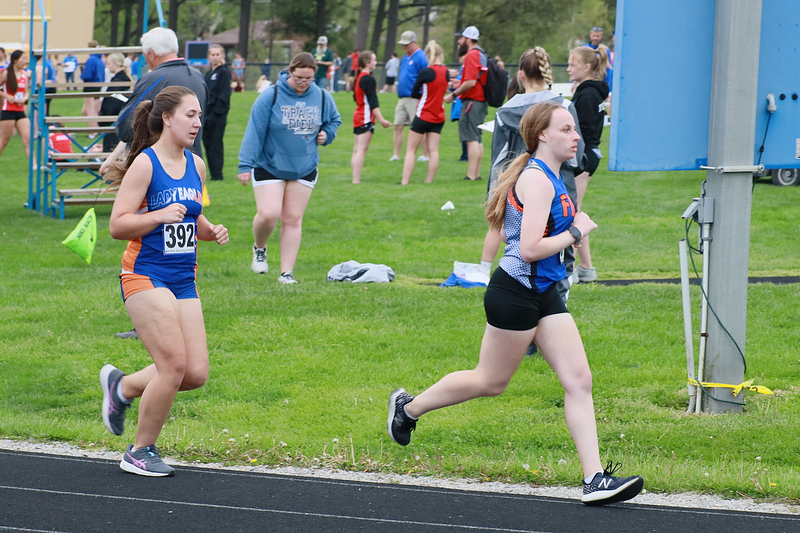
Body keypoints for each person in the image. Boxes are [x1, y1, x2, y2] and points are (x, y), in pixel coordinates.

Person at [387, 100, 644, 506]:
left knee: (579, 381)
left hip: (544, 292)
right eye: (566, 129)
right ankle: (408, 409)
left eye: (575, 129)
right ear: (542, 135)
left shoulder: (553, 175)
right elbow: (528, 249)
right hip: (515, 293)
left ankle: (594, 480)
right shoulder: (538, 180)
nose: (576, 137)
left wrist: (572, 232)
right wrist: (577, 232)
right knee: (490, 382)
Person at [101, 85, 229, 477]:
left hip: (183, 279)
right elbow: (118, 225)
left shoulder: (197, 165)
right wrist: (157, 216)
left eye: (200, 116)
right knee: (173, 365)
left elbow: (190, 214)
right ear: (167, 118)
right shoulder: (145, 164)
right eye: (190, 115)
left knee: (194, 374)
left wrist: (210, 230)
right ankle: (140, 451)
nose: (198, 122)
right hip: (145, 273)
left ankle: (123, 388)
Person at [481, 47, 583, 290]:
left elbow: (499, 161)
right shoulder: (563, 107)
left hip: (518, 190)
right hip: (557, 188)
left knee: (518, 243)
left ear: (521, 75)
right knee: (558, 249)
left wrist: (494, 198)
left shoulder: (505, 111)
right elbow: (577, 159)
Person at [238, 52, 341, 283]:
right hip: (270, 164)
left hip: (304, 166)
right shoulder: (271, 95)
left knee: (293, 219)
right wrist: (245, 165)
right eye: (299, 78)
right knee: (269, 214)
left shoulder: (322, 96)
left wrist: (327, 134)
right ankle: (260, 247)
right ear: (290, 72)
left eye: (308, 79)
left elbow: (334, 120)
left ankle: (286, 273)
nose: (303, 83)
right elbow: (255, 131)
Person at [100, 27, 209, 176]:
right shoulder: (198, 77)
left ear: (151, 54)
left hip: (160, 168)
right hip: (192, 165)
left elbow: (126, 126)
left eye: (145, 56)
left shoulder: (154, 79)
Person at [567, 45, 610, 284]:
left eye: (572, 64)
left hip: (583, 157)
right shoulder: (592, 92)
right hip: (590, 155)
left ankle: (571, 268)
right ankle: (586, 268)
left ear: (586, 67)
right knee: (575, 211)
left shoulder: (586, 95)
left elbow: (579, 132)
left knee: (571, 214)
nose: (568, 68)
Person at [400, 41, 448, 185]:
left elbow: (414, 93)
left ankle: (405, 181)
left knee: (411, 150)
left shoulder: (426, 71)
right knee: (433, 150)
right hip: (439, 115)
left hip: (423, 114)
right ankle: (428, 181)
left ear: (427, 54)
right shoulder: (446, 71)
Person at [444, 26, 487, 181]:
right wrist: (459, 83)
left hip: (472, 101)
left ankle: (471, 175)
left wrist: (453, 95)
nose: (459, 41)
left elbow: (470, 82)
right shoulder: (480, 53)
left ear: (468, 39)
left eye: (461, 38)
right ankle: (476, 173)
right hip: (479, 101)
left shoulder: (472, 55)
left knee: (471, 138)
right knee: (477, 137)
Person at [351, 51, 392, 184]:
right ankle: (356, 180)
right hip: (365, 117)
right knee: (361, 150)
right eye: (374, 60)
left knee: (356, 149)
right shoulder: (368, 79)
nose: (376, 62)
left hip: (358, 115)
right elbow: (373, 102)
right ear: (367, 63)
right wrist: (382, 120)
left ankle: (355, 178)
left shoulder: (359, 77)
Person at [390, 31, 429, 162]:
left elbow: (426, 75)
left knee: (419, 127)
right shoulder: (405, 57)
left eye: (407, 44)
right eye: (403, 44)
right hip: (403, 97)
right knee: (398, 125)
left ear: (414, 43)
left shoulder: (421, 56)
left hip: (415, 98)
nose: (404, 47)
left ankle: (425, 154)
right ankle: (396, 155)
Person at [203, 44, 232, 181]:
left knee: (216, 143)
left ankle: (217, 174)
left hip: (217, 114)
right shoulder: (209, 74)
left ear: (222, 56)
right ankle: (212, 172)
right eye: (213, 55)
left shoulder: (223, 72)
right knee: (207, 143)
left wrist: (217, 112)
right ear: (209, 56)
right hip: (206, 114)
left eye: (217, 54)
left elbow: (224, 94)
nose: (215, 57)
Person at [0, 50, 31, 160]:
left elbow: (26, 92)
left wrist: (25, 98)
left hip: (20, 111)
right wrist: (7, 96)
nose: (25, 61)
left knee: (27, 139)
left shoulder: (24, 74)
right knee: (4, 140)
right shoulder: (6, 73)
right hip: (8, 110)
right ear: (15, 60)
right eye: (23, 58)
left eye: (26, 59)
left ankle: (34, 165)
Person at [99, 53, 131, 153]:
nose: (107, 66)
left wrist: (104, 116)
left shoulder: (118, 81)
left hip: (113, 120)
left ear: (116, 64)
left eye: (109, 64)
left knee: (111, 148)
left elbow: (113, 103)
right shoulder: (123, 79)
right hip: (118, 119)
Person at [81, 41, 105, 134]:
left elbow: (87, 75)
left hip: (90, 85)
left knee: (90, 110)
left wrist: (81, 75)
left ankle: (93, 131)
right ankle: (96, 128)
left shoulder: (91, 60)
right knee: (89, 110)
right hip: (98, 85)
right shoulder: (100, 60)